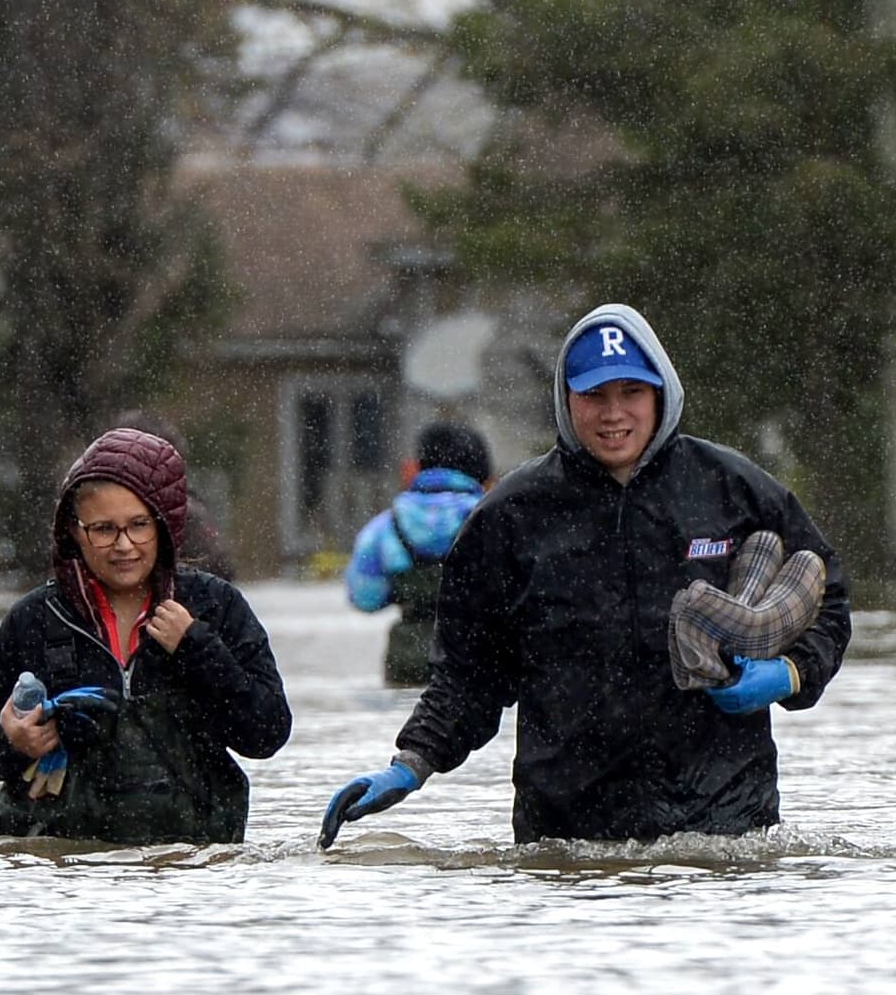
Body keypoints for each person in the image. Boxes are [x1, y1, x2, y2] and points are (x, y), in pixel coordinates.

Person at [320, 304, 847, 846]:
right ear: (565, 399)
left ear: (661, 393)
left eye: (631, 393)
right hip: (566, 841)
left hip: (728, 833)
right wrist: (410, 764)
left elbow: (828, 596)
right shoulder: (509, 517)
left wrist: (791, 672)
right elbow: (467, 676)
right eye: (594, 395)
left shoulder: (734, 489)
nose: (613, 414)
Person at [0, 427, 291, 845]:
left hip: (194, 866)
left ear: (163, 525)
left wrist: (197, 648)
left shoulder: (216, 606)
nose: (124, 546)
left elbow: (267, 733)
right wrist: (15, 741)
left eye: (138, 525)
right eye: (103, 529)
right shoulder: (32, 619)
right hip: (63, 876)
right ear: (73, 531)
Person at [342, 420, 495, 688]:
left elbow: (363, 598)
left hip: (407, 662)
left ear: (415, 468)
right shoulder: (497, 520)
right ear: (486, 476)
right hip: (477, 660)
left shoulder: (383, 529)